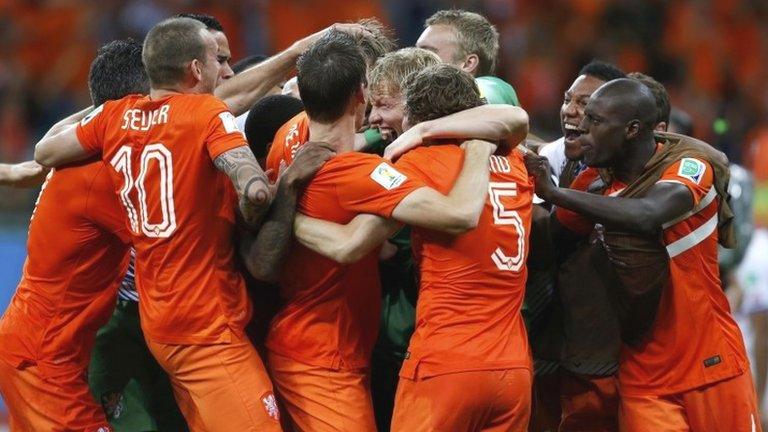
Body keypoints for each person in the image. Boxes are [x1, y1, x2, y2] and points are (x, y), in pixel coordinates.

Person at [33, 17, 330, 431]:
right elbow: (241, 167)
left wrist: (98, 109)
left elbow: (46, 150)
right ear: (195, 69)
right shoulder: (206, 112)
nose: (224, 71)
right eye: (216, 60)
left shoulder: (113, 118)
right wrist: (257, 187)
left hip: (155, 315)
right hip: (202, 324)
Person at [265, 31, 502, 431]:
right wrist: (479, 150)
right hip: (326, 355)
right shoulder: (364, 174)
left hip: (305, 338)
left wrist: (282, 206)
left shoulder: (285, 137)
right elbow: (457, 213)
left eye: (386, 106)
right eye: (374, 102)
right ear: (360, 92)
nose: (376, 117)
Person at [526, 78, 761, 432]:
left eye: (596, 122)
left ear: (632, 130)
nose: (583, 129)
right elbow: (548, 248)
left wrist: (555, 194)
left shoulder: (689, 165)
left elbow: (648, 214)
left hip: (711, 363)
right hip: (643, 378)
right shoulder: (594, 182)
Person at [0, 39, 144, 432]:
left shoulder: (75, 153)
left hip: (40, 347)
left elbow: (27, 167)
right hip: (43, 360)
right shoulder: (103, 176)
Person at [416, 9, 519, 105]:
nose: (415, 59)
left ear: (468, 63)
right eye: (415, 51)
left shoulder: (495, 88)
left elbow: (485, 95)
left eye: (427, 53)